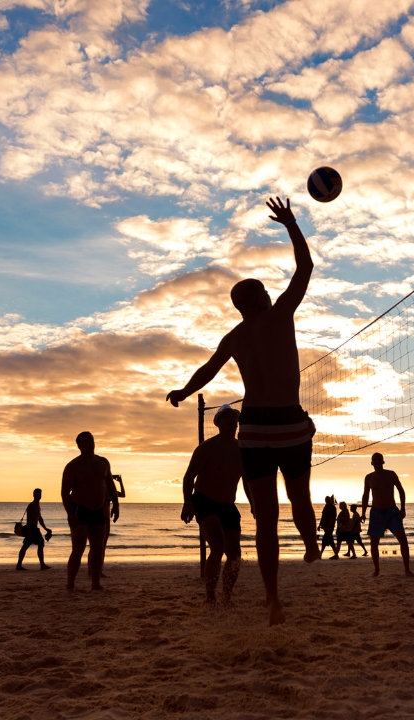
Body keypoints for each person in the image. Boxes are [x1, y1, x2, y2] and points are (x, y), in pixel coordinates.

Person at [165, 197, 321, 625]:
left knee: (266, 520)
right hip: (289, 421)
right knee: (300, 498)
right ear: (265, 298)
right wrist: (291, 225)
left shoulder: (235, 336)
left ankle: (273, 601)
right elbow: (305, 269)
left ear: (239, 308)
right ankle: (310, 544)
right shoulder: (281, 314)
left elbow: (206, 372)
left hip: (253, 427)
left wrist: (182, 391)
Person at [180, 406, 245, 605]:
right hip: (204, 499)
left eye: (233, 416)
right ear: (217, 423)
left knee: (234, 553)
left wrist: (254, 505)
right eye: (226, 417)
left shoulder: (242, 448)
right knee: (217, 547)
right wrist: (188, 502)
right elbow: (189, 476)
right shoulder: (207, 448)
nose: (231, 419)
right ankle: (210, 597)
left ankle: (227, 596)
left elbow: (247, 481)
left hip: (228, 504)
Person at [62, 432, 119, 592]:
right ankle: (70, 584)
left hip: (98, 510)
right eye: (85, 441)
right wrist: (70, 512)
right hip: (80, 509)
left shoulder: (103, 462)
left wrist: (116, 504)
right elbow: (65, 492)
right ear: (79, 445)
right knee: (78, 548)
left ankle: (95, 583)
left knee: (98, 548)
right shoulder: (73, 465)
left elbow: (110, 485)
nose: (89, 443)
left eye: (91, 440)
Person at [361, 453, 414, 577]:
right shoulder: (369, 477)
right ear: (371, 462)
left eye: (379, 459)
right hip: (376, 512)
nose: (377, 461)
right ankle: (376, 570)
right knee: (374, 543)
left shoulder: (391, 474)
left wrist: (403, 509)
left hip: (392, 511)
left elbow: (401, 491)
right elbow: (365, 496)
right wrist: (363, 513)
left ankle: (407, 569)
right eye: (375, 459)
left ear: (383, 461)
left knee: (403, 540)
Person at [17, 488, 53, 571]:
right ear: (33, 495)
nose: (39, 495)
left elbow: (39, 518)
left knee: (28, 545)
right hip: (31, 528)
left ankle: (19, 565)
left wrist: (45, 528)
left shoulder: (37, 505)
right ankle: (41, 565)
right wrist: (29, 532)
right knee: (38, 544)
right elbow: (29, 520)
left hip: (34, 528)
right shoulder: (31, 506)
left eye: (40, 494)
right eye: (37, 494)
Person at [319, 494, 338, 559]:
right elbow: (323, 516)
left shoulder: (332, 507)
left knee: (325, 539)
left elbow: (333, 518)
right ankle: (336, 554)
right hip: (325, 526)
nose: (326, 501)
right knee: (329, 540)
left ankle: (320, 554)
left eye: (327, 500)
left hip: (329, 526)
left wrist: (328, 526)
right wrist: (319, 525)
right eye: (326, 500)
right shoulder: (326, 507)